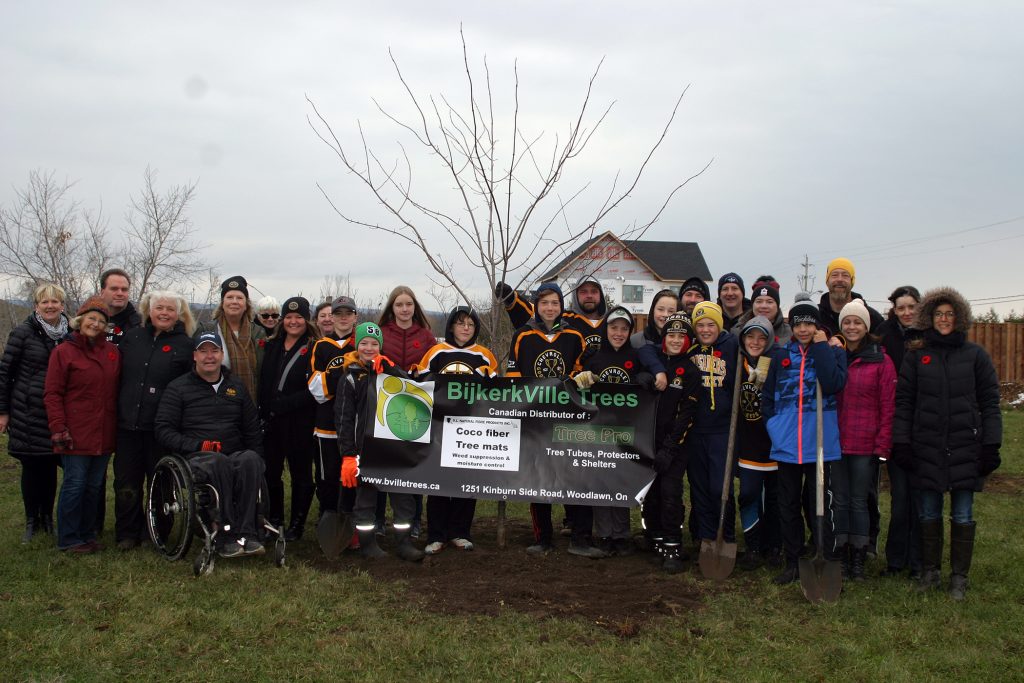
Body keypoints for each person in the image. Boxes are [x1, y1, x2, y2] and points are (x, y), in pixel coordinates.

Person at [891, 287, 1001, 600]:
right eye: (938, 314)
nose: (944, 319)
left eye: (950, 314)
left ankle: (959, 579)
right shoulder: (916, 357)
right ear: (929, 317)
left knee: (963, 514)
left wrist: (991, 445)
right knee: (928, 512)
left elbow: (990, 403)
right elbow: (904, 403)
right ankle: (930, 572)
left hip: (967, 447)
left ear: (960, 317)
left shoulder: (976, 356)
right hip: (926, 447)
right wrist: (903, 443)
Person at [154, 331, 266, 557]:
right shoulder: (178, 388)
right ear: (194, 356)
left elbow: (251, 427)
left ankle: (248, 533)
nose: (209, 357)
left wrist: (258, 454)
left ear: (221, 354)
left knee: (250, 460)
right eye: (203, 351)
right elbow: (163, 430)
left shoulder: (236, 386)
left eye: (214, 351)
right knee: (219, 463)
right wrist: (199, 445)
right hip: (196, 456)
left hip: (234, 452)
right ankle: (224, 534)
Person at [761, 293, 847, 585]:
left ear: (817, 326)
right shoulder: (781, 356)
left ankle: (824, 554)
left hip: (820, 443)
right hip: (786, 444)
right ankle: (793, 560)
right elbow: (767, 397)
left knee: (818, 503)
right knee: (788, 504)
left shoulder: (833, 352)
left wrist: (823, 346)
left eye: (809, 325)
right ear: (792, 326)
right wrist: (774, 426)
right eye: (798, 325)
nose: (803, 330)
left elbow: (834, 383)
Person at [506, 283, 587, 556]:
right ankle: (543, 538)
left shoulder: (575, 335)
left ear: (561, 305)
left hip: (567, 418)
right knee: (539, 478)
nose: (550, 308)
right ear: (536, 307)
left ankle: (579, 536)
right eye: (544, 303)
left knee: (572, 476)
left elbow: (582, 372)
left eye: (554, 302)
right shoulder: (523, 335)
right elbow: (513, 377)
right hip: (535, 419)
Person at [113, 291, 195, 550]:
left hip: (162, 427)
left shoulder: (185, 344)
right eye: (159, 307)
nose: (164, 313)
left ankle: (156, 531)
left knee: (161, 482)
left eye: (170, 309)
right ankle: (127, 532)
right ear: (149, 310)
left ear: (178, 314)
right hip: (128, 424)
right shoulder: (133, 338)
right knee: (126, 481)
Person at [413, 306, 498, 555]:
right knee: (438, 482)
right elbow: (420, 380)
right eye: (461, 323)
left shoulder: (483, 355)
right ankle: (436, 535)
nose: (465, 328)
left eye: (470, 325)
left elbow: (497, 390)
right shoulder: (437, 352)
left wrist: (487, 378)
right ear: (451, 326)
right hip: (439, 427)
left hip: (470, 428)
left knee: (466, 482)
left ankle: (460, 532)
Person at [337, 322, 424, 562]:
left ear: (380, 347)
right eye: (364, 343)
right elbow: (344, 419)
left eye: (374, 344)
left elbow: (411, 389)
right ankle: (367, 543)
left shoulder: (388, 370)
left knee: (402, 496)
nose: (369, 348)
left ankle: (404, 542)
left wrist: (391, 368)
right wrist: (347, 455)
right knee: (365, 499)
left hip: (391, 446)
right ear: (357, 345)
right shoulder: (350, 377)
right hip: (363, 449)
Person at [43, 296, 120, 553]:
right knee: (75, 484)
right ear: (80, 320)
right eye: (91, 319)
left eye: (100, 320)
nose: (95, 324)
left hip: (104, 429)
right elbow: (52, 393)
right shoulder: (64, 352)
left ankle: (88, 533)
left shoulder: (112, 353)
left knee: (94, 486)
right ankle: (69, 537)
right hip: (75, 430)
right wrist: (58, 427)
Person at [573, 306, 651, 556]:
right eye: (614, 327)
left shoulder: (637, 356)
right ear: (606, 329)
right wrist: (581, 379)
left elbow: (647, 379)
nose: (618, 333)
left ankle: (622, 534)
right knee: (600, 481)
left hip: (627, 431)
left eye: (624, 328)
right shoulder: (594, 357)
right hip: (598, 430)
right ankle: (604, 533)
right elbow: (577, 384)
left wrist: (646, 378)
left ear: (630, 331)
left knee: (621, 481)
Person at [0, 283, 72, 543]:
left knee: (50, 467)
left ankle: (47, 518)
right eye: (45, 302)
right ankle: (32, 520)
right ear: (36, 306)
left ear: (62, 306)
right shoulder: (23, 333)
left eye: (55, 302)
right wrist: (3, 411)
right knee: (32, 467)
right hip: (27, 410)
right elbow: (4, 373)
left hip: (56, 412)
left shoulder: (69, 335)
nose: (50, 306)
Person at [832, 300, 895, 580]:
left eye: (857, 322)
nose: (852, 326)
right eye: (847, 322)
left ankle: (859, 555)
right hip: (837, 442)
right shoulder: (836, 357)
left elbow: (888, 405)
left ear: (866, 326)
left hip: (865, 445)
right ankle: (842, 554)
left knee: (859, 500)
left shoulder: (880, 360)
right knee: (840, 501)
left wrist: (883, 444)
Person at [639, 312, 699, 572]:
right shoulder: (656, 363)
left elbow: (687, 415)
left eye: (681, 336)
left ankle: (674, 545)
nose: (675, 340)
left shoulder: (691, 371)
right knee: (650, 494)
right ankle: (656, 538)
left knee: (671, 494)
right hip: (648, 442)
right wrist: (642, 380)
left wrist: (670, 448)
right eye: (671, 335)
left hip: (676, 445)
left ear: (688, 340)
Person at [258, 297, 319, 541]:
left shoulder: (315, 347)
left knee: (301, 474)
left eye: (299, 317)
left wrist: (287, 403)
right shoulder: (271, 345)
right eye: (289, 317)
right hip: (271, 421)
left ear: (307, 320)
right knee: (271, 472)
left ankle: (297, 525)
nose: (293, 322)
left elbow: (317, 388)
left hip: (300, 421)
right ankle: (275, 520)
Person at [378, 285, 436, 537]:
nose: (404, 309)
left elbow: (434, 368)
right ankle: (378, 520)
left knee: (415, 466)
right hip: (385, 407)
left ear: (415, 307)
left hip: (416, 409)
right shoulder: (381, 333)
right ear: (392, 308)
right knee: (381, 465)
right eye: (399, 304)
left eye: (408, 304)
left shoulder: (425, 336)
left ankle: (414, 521)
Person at [685, 301, 740, 553]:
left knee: (720, 487)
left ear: (718, 325)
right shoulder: (690, 349)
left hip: (722, 430)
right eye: (700, 325)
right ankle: (706, 538)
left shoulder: (732, 346)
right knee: (700, 488)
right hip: (696, 429)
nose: (706, 330)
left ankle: (726, 535)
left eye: (710, 324)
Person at [877, 285, 923, 579]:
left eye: (911, 307)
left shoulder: (930, 336)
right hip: (895, 424)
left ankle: (919, 562)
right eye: (901, 307)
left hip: (924, 426)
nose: (906, 312)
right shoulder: (884, 335)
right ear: (894, 309)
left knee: (921, 497)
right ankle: (896, 560)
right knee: (900, 495)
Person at [735, 315, 782, 571]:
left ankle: (774, 546)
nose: (755, 342)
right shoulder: (737, 362)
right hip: (748, 444)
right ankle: (752, 545)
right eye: (750, 336)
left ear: (770, 339)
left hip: (774, 443)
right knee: (749, 494)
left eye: (761, 337)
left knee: (775, 498)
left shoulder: (776, 362)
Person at [308, 296, 358, 522]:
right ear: (332, 317)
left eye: (348, 313)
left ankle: (350, 521)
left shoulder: (361, 344)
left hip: (354, 425)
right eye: (338, 314)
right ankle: (327, 517)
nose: (343, 318)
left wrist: (333, 380)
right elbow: (317, 390)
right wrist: (347, 374)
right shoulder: (320, 346)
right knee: (326, 477)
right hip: (326, 425)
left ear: (355, 317)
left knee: (351, 477)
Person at [197, 276, 266, 401]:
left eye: (239, 298)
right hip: (214, 402)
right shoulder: (207, 330)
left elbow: (263, 372)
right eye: (229, 297)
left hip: (250, 403)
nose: (234, 301)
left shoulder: (258, 333)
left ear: (246, 304)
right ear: (222, 303)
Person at [497, 276, 610, 349]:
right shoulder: (564, 320)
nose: (589, 295)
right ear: (576, 295)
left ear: (600, 294)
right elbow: (533, 316)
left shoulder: (613, 324)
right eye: (583, 292)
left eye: (594, 291)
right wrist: (512, 299)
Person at [816, 258, 884, 337]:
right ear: (827, 281)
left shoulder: (872, 317)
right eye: (834, 275)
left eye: (845, 275)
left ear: (852, 282)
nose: (840, 279)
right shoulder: (815, 315)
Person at [631, 289, 679, 391]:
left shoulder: (680, 343)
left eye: (671, 311)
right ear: (653, 310)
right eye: (660, 309)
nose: (665, 314)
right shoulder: (636, 341)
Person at [731, 276, 792, 346]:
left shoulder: (790, 333)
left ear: (777, 306)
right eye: (759, 301)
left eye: (769, 302)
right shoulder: (737, 332)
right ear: (752, 305)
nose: (764, 306)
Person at [99, 268, 142, 346]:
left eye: (124, 289)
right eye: (114, 289)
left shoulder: (141, 325)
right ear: (102, 292)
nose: (120, 293)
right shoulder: (89, 323)